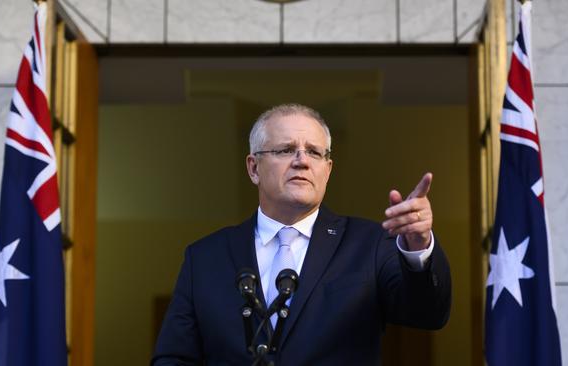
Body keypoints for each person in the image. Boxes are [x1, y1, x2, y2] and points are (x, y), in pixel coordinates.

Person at [151, 104, 451, 365]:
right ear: (253, 168)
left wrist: (419, 247)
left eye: (314, 152)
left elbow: (428, 314)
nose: (302, 160)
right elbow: (174, 357)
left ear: (328, 169)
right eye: (285, 150)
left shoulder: (371, 244)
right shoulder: (204, 257)